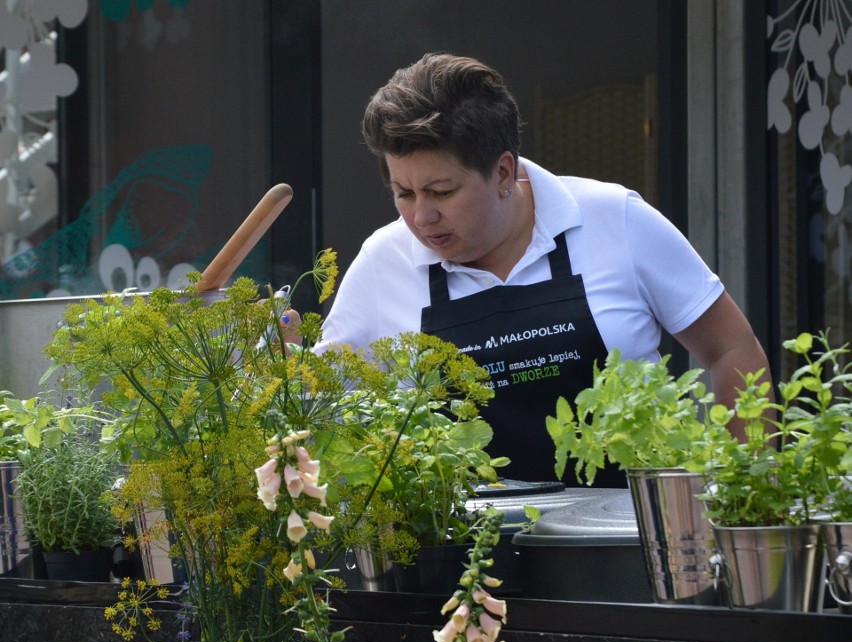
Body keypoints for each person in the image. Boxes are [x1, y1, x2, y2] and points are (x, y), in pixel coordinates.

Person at [314, 52, 771, 486]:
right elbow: (319, 404)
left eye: (442, 191)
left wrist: (738, 496)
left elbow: (732, 348)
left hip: (632, 544)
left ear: (503, 173)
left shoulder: (614, 217)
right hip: (466, 560)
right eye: (404, 193)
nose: (421, 217)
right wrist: (274, 354)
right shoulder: (382, 263)